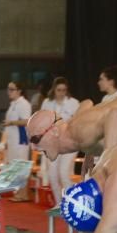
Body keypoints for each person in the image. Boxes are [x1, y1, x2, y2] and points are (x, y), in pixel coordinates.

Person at [40, 77, 79, 206]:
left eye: (64, 90)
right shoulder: (47, 102)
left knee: (64, 174)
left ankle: (71, 204)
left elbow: (77, 122)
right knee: (52, 175)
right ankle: (59, 204)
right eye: (59, 90)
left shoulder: (74, 103)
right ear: (54, 90)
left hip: (69, 143)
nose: (61, 93)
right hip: (52, 143)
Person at [2, 80, 32, 200]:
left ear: (19, 91)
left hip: (21, 140)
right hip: (13, 140)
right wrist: (6, 142)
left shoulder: (24, 104)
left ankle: (24, 194)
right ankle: (19, 192)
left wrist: (11, 123)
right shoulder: (13, 104)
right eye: (8, 89)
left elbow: (27, 121)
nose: (9, 92)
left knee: (21, 167)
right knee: (15, 166)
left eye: (12, 89)